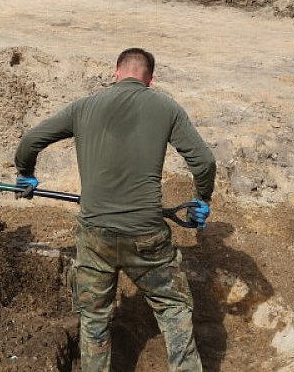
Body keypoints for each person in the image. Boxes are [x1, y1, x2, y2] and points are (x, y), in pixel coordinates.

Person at [12, 48, 216, 372]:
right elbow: (204, 161)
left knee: (94, 319)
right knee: (174, 309)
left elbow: (32, 139)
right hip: (147, 235)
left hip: (95, 236)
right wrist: (202, 198)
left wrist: (25, 174)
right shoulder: (165, 107)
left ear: (116, 72)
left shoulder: (84, 107)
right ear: (150, 79)